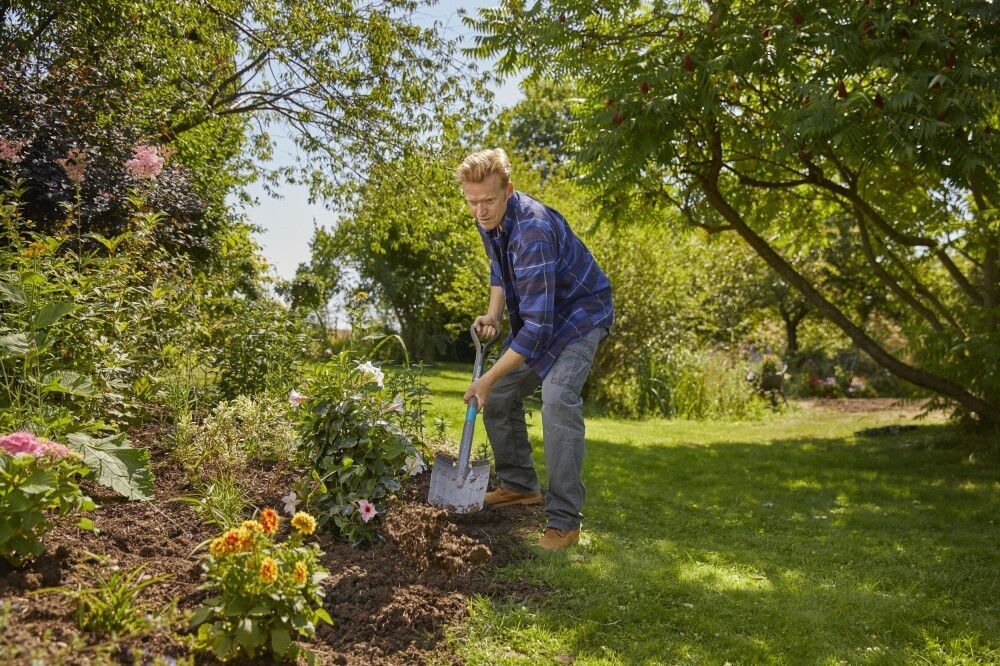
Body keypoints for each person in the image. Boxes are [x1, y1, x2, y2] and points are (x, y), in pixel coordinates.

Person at [455, 148, 614, 551]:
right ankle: (520, 485)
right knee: (501, 394)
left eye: (488, 200)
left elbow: (539, 329)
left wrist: (486, 379)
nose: (479, 210)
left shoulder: (532, 232)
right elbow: (499, 269)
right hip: (543, 314)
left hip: (581, 315)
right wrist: (493, 315)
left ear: (509, 190)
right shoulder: (489, 219)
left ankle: (565, 522)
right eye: (472, 202)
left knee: (557, 398)